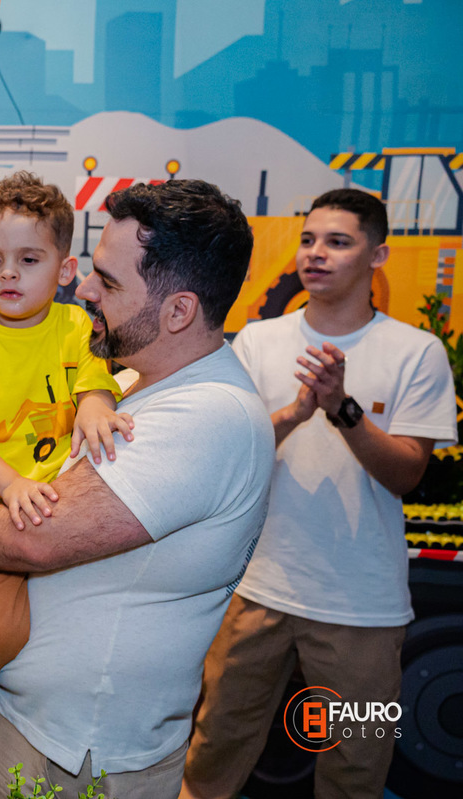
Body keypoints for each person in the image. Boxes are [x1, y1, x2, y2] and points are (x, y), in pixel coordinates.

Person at [0, 179, 274, 799]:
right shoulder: (129, 384)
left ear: (178, 311)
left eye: (107, 282)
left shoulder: (209, 414)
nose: (83, 289)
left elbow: (36, 539)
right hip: (34, 726)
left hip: (84, 755)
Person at [180, 189, 458, 799]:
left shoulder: (417, 352)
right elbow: (229, 451)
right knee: (213, 750)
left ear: (377, 255)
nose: (316, 253)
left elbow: (407, 474)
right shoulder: (257, 341)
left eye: (338, 242)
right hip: (254, 589)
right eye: (308, 240)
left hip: (365, 607)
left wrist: (342, 408)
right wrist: (296, 413)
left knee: (357, 768)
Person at [0, 171, 128, 720]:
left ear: (65, 270)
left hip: (53, 511)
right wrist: (9, 485)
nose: (8, 273)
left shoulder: (76, 325)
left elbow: (95, 386)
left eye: (29, 259)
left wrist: (94, 404)